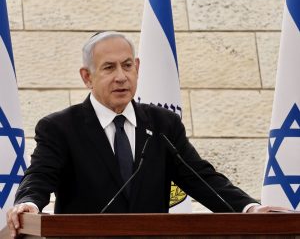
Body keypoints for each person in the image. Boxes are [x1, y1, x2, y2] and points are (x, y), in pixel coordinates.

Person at [6, 31, 287, 237]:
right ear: (87, 77)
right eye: (109, 68)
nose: (121, 76)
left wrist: (249, 209)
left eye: (127, 65)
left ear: (137, 68)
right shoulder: (60, 128)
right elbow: (40, 175)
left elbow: (201, 177)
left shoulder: (163, 124)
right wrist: (28, 202)